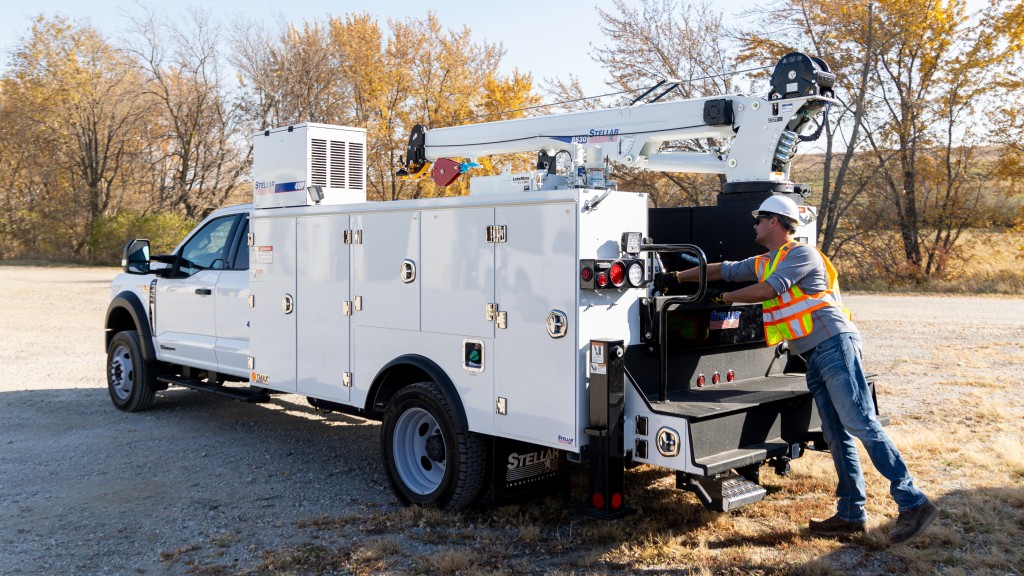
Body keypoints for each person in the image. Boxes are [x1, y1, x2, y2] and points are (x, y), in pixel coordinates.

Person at [657, 194, 939, 544]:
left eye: (759, 219)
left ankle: (913, 502)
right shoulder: (766, 260)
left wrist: (723, 298)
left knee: (860, 423)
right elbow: (722, 268)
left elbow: (770, 290)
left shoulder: (801, 255)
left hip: (835, 345)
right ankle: (850, 515)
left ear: (774, 222)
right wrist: (675, 278)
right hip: (815, 356)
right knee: (837, 435)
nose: (754, 225)